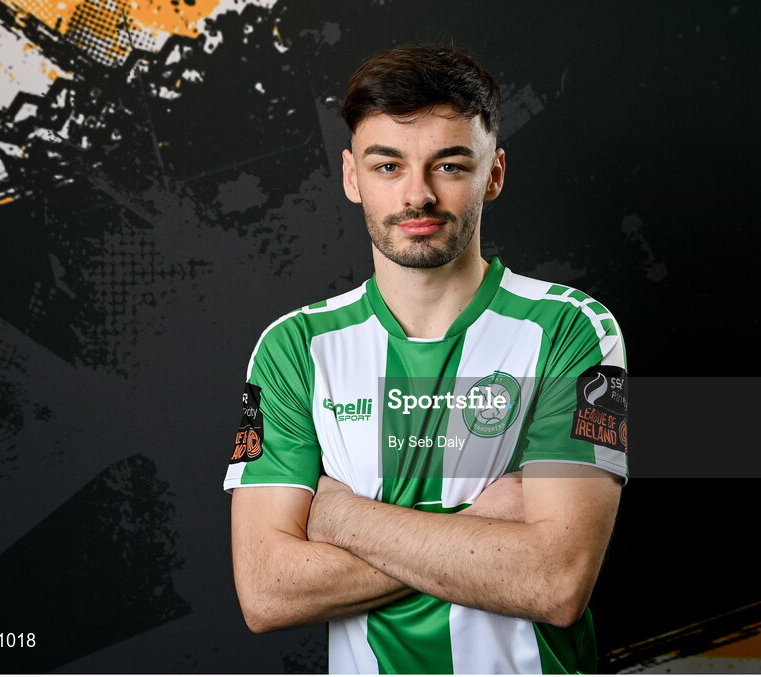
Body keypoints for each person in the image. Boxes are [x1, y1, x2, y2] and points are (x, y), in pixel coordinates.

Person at [223, 43, 628, 674]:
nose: (418, 195)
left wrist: (340, 515)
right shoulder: (293, 348)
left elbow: (555, 581)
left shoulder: (573, 330)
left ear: (493, 174)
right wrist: (480, 526)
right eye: (388, 166)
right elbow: (267, 592)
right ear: (352, 177)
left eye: (449, 166)